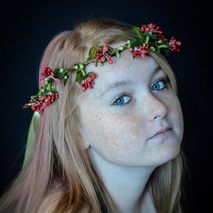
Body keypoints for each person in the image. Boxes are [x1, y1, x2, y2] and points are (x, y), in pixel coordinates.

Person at [0, 17, 186, 213]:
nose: (159, 109)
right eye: (121, 99)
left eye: (158, 84)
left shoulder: (159, 194)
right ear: (76, 132)